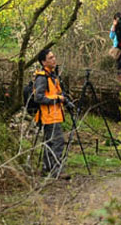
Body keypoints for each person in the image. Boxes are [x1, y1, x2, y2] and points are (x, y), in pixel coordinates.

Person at [32, 48, 75, 179]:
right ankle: (56, 170)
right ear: (44, 62)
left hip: (54, 115)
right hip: (48, 116)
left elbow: (57, 93)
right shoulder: (42, 78)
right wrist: (56, 99)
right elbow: (38, 98)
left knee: (49, 142)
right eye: (50, 58)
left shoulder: (52, 75)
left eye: (54, 57)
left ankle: (47, 168)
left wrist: (66, 101)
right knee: (58, 142)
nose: (54, 59)